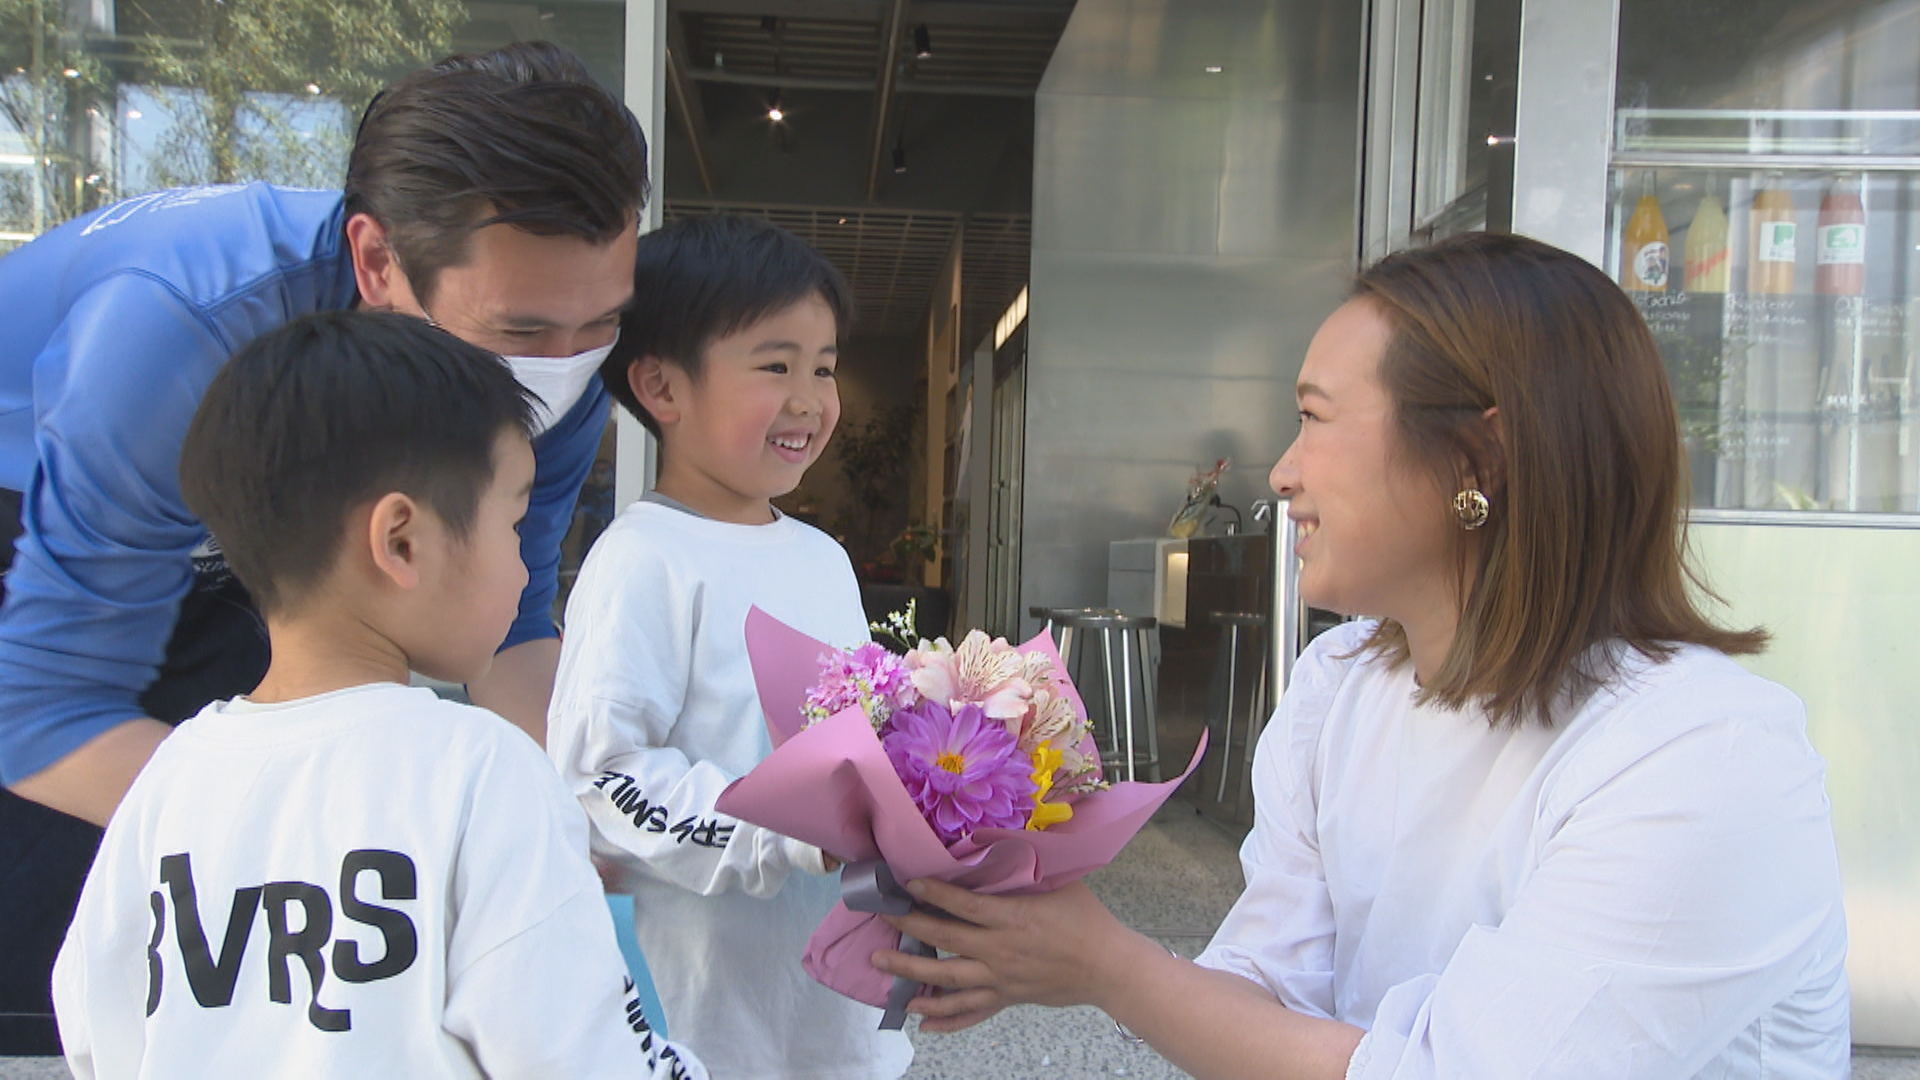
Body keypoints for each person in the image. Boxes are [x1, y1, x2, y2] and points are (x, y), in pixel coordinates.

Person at [874, 232, 1851, 1078]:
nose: (1284, 471)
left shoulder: (1699, 756)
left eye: (1316, 416)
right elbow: (1263, 991)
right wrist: (1022, 925)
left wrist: (1110, 967)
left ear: (1480, 459)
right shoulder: (1340, 688)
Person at [0, 42, 645, 1051]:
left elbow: (514, 635)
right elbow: (38, 714)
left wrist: (570, 834)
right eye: (524, 330)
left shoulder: (552, 360)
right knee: (120, 914)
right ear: (379, 263)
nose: (563, 371)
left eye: (600, 322)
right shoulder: (174, 335)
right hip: (38, 507)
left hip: (226, 549)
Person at [51, 311, 704, 1079]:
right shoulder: (483, 769)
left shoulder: (165, 780)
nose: (528, 570)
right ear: (402, 541)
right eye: (516, 525)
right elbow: (580, 1054)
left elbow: (96, 1029)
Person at [546, 214, 914, 1079]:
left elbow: (860, 737)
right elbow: (602, 776)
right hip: (708, 1001)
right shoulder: (642, 560)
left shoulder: (822, 559)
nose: (811, 399)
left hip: (835, 992)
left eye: (823, 368)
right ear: (662, 387)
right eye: (775, 365)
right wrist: (782, 831)